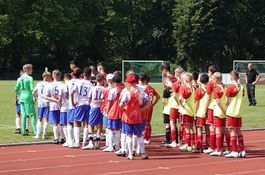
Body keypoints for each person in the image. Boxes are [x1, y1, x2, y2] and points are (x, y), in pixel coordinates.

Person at [119, 74, 149, 160]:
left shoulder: (126, 91)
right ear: (136, 81)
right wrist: (140, 111)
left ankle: (130, 154)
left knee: (128, 135)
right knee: (139, 134)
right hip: (138, 115)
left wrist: (125, 110)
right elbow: (148, 103)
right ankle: (143, 153)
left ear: (127, 82)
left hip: (128, 115)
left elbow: (121, 105)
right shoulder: (141, 91)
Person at [225, 71, 246, 158]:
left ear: (231, 78)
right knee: (238, 131)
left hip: (232, 111)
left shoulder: (230, 88)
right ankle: (242, 150)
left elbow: (227, 101)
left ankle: (234, 151)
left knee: (232, 131)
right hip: (239, 112)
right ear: (238, 78)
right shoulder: (242, 87)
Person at [71, 67, 94, 148]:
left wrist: (72, 102)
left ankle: (77, 142)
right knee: (86, 123)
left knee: (77, 122)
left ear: (83, 74)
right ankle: (84, 141)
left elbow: (72, 92)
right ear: (90, 74)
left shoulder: (78, 82)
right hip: (87, 104)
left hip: (79, 104)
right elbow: (91, 96)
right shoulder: (91, 84)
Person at [15, 64, 37, 136]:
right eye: (31, 69)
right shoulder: (30, 78)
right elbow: (32, 89)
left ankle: (24, 131)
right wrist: (35, 97)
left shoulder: (19, 78)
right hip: (28, 96)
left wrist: (19, 94)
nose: (32, 71)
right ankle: (36, 131)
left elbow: (16, 89)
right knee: (32, 114)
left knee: (23, 114)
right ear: (27, 70)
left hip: (22, 97)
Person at [85, 74, 105, 149]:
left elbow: (89, 98)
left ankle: (90, 142)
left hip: (94, 107)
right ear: (103, 80)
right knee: (99, 125)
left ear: (96, 80)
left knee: (90, 124)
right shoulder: (104, 88)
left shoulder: (93, 88)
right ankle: (97, 141)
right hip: (101, 107)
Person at [103, 76, 123, 152]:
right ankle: (117, 146)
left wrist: (107, 111)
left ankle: (110, 146)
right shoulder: (123, 90)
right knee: (117, 129)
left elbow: (109, 102)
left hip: (113, 110)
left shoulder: (112, 91)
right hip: (120, 111)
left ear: (114, 83)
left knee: (110, 128)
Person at [209, 72, 227, 156]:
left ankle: (219, 149)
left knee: (218, 130)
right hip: (225, 111)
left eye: (213, 78)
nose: (212, 80)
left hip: (219, 111)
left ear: (216, 79)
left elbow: (218, 102)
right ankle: (226, 148)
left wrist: (223, 110)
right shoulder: (225, 87)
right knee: (224, 129)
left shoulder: (216, 89)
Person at [44, 70, 64, 144]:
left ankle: (56, 138)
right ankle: (62, 138)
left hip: (53, 105)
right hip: (61, 105)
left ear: (53, 76)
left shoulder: (50, 85)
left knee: (55, 123)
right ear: (59, 76)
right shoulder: (62, 84)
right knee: (61, 122)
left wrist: (54, 100)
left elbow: (46, 96)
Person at [203, 65, 219, 154]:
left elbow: (208, 98)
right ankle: (218, 146)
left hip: (212, 107)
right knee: (218, 128)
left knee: (211, 127)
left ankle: (212, 147)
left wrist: (205, 108)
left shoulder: (210, 83)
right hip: (218, 107)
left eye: (208, 71)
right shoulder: (219, 83)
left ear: (211, 72)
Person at [179, 73, 196, 152]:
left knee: (186, 128)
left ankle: (188, 145)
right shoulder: (193, 87)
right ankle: (193, 144)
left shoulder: (184, 88)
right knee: (191, 128)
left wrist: (181, 104)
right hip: (191, 110)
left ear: (185, 80)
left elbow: (180, 98)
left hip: (185, 110)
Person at [167, 67, 183, 148]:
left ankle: (174, 141)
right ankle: (180, 141)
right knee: (181, 124)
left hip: (175, 106)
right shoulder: (184, 83)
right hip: (183, 107)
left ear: (177, 74)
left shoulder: (176, 83)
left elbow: (174, 95)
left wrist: (178, 103)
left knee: (172, 122)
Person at [66, 68, 82, 147]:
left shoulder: (69, 82)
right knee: (78, 122)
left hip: (71, 104)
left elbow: (66, 93)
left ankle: (70, 141)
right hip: (79, 104)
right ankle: (77, 141)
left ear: (72, 74)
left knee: (69, 122)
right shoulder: (81, 82)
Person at [33, 71, 52, 139]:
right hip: (47, 103)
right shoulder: (49, 84)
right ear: (46, 77)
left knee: (39, 118)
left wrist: (36, 98)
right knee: (46, 119)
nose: (50, 78)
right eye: (50, 77)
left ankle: (38, 135)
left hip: (40, 103)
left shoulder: (39, 84)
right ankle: (44, 135)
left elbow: (34, 92)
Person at [194, 73, 209, 152]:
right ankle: (208, 145)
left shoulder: (199, 90)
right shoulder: (210, 89)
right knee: (207, 129)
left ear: (200, 80)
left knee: (199, 129)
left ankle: (199, 146)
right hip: (208, 112)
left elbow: (196, 102)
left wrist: (195, 113)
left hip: (200, 112)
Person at [59, 73, 72, 147]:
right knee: (70, 124)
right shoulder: (72, 85)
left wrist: (60, 105)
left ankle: (68, 140)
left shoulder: (63, 86)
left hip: (64, 107)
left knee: (64, 124)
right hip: (71, 106)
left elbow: (60, 98)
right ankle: (71, 139)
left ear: (64, 78)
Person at [161, 77, 173, 147]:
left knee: (167, 125)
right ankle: (174, 139)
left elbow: (164, 101)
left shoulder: (166, 90)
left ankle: (168, 140)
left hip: (167, 110)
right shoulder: (173, 89)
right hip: (173, 109)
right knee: (173, 124)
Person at [14, 70, 24, 134]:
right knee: (26, 114)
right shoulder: (29, 79)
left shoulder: (19, 79)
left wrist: (15, 98)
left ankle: (18, 128)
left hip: (20, 98)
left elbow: (16, 89)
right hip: (26, 99)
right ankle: (26, 129)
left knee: (18, 113)